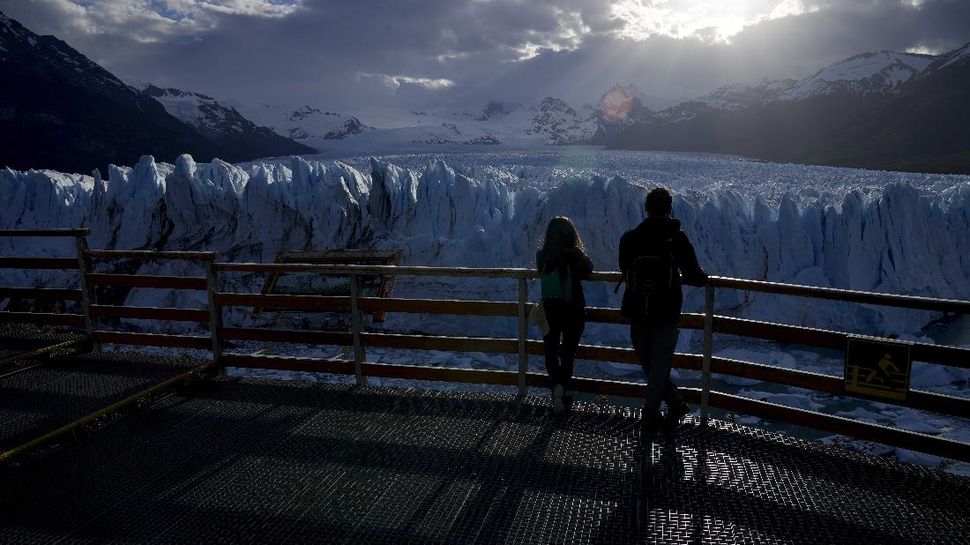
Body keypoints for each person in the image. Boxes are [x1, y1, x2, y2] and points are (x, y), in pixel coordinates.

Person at [619, 187, 708, 430]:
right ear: (669, 209)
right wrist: (702, 278)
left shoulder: (630, 238)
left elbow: (624, 269)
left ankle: (674, 404)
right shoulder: (676, 239)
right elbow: (694, 274)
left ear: (646, 208)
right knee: (659, 362)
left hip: (637, 309)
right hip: (667, 311)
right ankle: (651, 413)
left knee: (649, 363)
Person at [537, 216, 593, 414]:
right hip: (573, 310)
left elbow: (539, 273)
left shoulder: (542, 255)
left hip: (550, 310)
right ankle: (562, 390)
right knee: (568, 354)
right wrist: (577, 252)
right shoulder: (574, 253)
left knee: (550, 352)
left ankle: (555, 390)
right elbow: (589, 269)